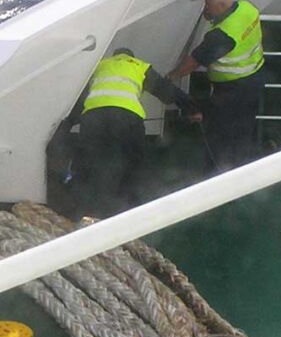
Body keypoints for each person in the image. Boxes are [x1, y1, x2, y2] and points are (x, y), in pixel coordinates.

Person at [75, 47, 199, 218]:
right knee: (133, 163)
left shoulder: (99, 66)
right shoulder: (138, 66)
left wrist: (67, 125)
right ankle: (129, 212)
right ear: (130, 56)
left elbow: (78, 98)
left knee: (91, 162)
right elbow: (166, 91)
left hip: (94, 119)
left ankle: (86, 212)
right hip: (127, 120)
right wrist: (191, 109)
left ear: (114, 56)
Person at [170, 0, 266, 171]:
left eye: (208, 5)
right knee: (246, 124)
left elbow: (193, 62)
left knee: (224, 130)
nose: (205, 9)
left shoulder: (222, 35)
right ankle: (246, 161)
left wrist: (172, 75)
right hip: (256, 76)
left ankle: (225, 170)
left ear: (221, 6)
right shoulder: (248, 8)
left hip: (233, 90)